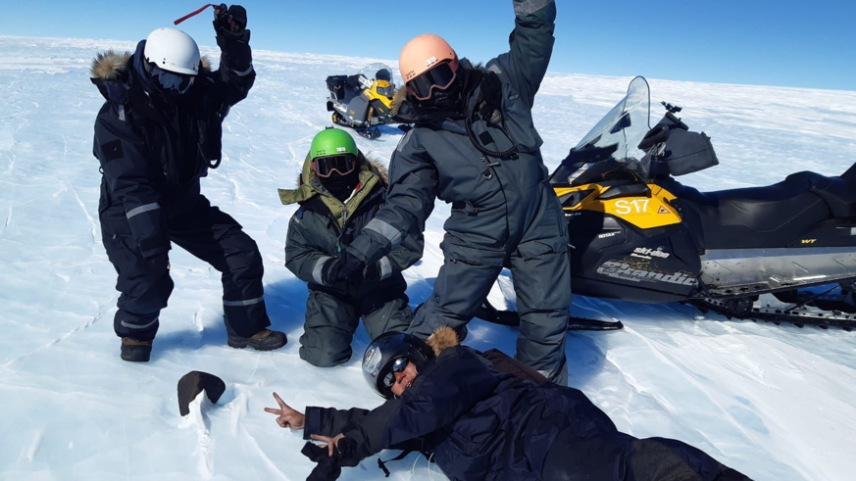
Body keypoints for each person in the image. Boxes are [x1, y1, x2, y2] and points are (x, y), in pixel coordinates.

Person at [320, 0, 572, 385]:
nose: (437, 89)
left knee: (546, 319)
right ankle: (412, 384)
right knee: (443, 315)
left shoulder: (503, 84)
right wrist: (360, 253)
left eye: (442, 74)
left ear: (456, 64)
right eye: (423, 84)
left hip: (540, 222)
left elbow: (534, 35)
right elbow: (404, 205)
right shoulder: (420, 142)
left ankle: (542, 399)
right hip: (477, 235)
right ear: (411, 90)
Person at [264, 329, 753, 481]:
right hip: (512, 468)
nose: (400, 378)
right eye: (389, 381)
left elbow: (398, 417)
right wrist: (311, 420)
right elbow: (383, 420)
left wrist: (356, 444)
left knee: (603, 471)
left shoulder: (453, 365)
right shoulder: (410, 413)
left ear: (418, 356)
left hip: (543, 428)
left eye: (401, 365)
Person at [90, 6, 286, 362]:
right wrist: (154, 249)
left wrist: (233, 41)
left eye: (183, 80)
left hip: (182, 202)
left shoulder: (194, 93)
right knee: (149, 281)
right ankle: (135, 340)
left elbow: (237, 80)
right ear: (148, 68)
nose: (175, 89)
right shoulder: (118, 115)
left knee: (240, 253)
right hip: (129, 208)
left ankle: (245, 330)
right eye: (167, 80)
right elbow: (132, 185)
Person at [279, 129, 423, 367]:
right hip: (332, 291)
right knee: (322, 357)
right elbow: (296, 254)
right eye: (327, 167)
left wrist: (374, 270)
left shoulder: (384, 201)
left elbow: (410, 244)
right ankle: (338, 322)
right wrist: (327, 270)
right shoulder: (307, 212)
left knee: (400, 352)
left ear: (355, 163)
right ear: (314, 169)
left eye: (342, 164)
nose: (335, 174)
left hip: (380, 289)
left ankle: (416, 319)